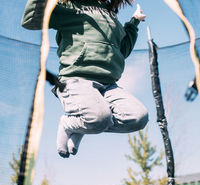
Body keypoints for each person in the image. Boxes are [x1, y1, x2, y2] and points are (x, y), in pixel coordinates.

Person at [21, 0, 148, 158]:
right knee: (99, 118)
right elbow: (30, 20)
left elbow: (121, 50)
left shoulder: (109, 12)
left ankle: (84, 123)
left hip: (109, 84)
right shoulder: (69, 7)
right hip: (76, 79)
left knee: (138, 117)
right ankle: (70, 123)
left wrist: (134, 21)